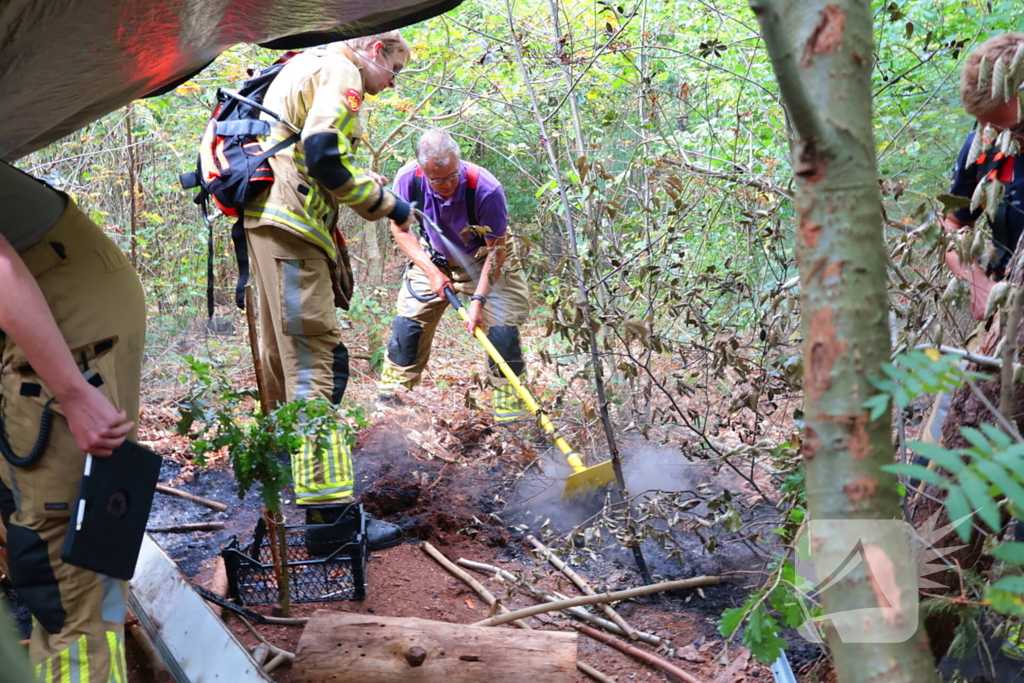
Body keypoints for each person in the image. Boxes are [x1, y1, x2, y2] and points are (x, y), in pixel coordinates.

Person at [242, 32, 413, 551]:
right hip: (292, 233)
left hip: (272, 225)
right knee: (316, 363)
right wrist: (386, 204)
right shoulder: (341, 71)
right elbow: (323, 157)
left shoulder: (307, 66)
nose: (388, 85)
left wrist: (361, 179)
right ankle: (331, 524)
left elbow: (311, 153)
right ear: (377, 48)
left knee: (282, 360)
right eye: (394, 71)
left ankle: (278, 484)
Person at [1, 160, 145, 682]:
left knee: (65, 562)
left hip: (60, 312)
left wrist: (72, 392)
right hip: (33, 304)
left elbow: (1, 267)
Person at [378, 129, 532, 421]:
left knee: (502, 334)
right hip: (433, 257)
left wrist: (478, 301)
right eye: (437, 180)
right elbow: (400, 230)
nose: (446, 185)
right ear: (423, 172)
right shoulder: (408, 180)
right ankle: (389, 411)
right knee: (407, 329)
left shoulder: (486, 189)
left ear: (458, 163)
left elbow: (496, 253)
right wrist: (431, 272)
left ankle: (514, 420)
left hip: (485, 257)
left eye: (452, 176)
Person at [922, 32, 1024, 445]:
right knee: (940, 445)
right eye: (992, 126)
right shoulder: (986, 145)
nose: (1006, 137)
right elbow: (952, 224)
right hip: (1002, 320)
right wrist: (977, 283)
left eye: (1014, 126)